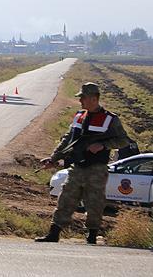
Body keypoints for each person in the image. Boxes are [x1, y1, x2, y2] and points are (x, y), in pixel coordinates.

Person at [36, 82, 129, 244]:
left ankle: (92, 236)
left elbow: (123, 140)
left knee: (94, 203)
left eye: (83, 98)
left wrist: (103, 145)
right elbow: (67, 139)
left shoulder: (110, 119)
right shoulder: (79, 116)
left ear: (94, 99)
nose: (80, 101)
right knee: (65, 199)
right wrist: (53, 158)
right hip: (77, 167)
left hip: (97, 169)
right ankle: (54, 233)